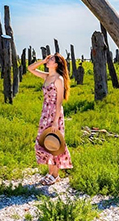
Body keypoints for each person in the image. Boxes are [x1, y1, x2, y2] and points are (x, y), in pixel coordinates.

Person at [28, 52, 73, 185]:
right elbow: (30, 68)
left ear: (57, 64)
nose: (49, 60)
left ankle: (55, 175)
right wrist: (42, 61)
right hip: (45, 112)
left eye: (51, 59)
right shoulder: (47, 76)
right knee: (44, 142)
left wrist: (55, 122)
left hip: (54, 113)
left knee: (54, 144)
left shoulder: (58, 79)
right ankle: (50, 173)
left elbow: (59, 102)